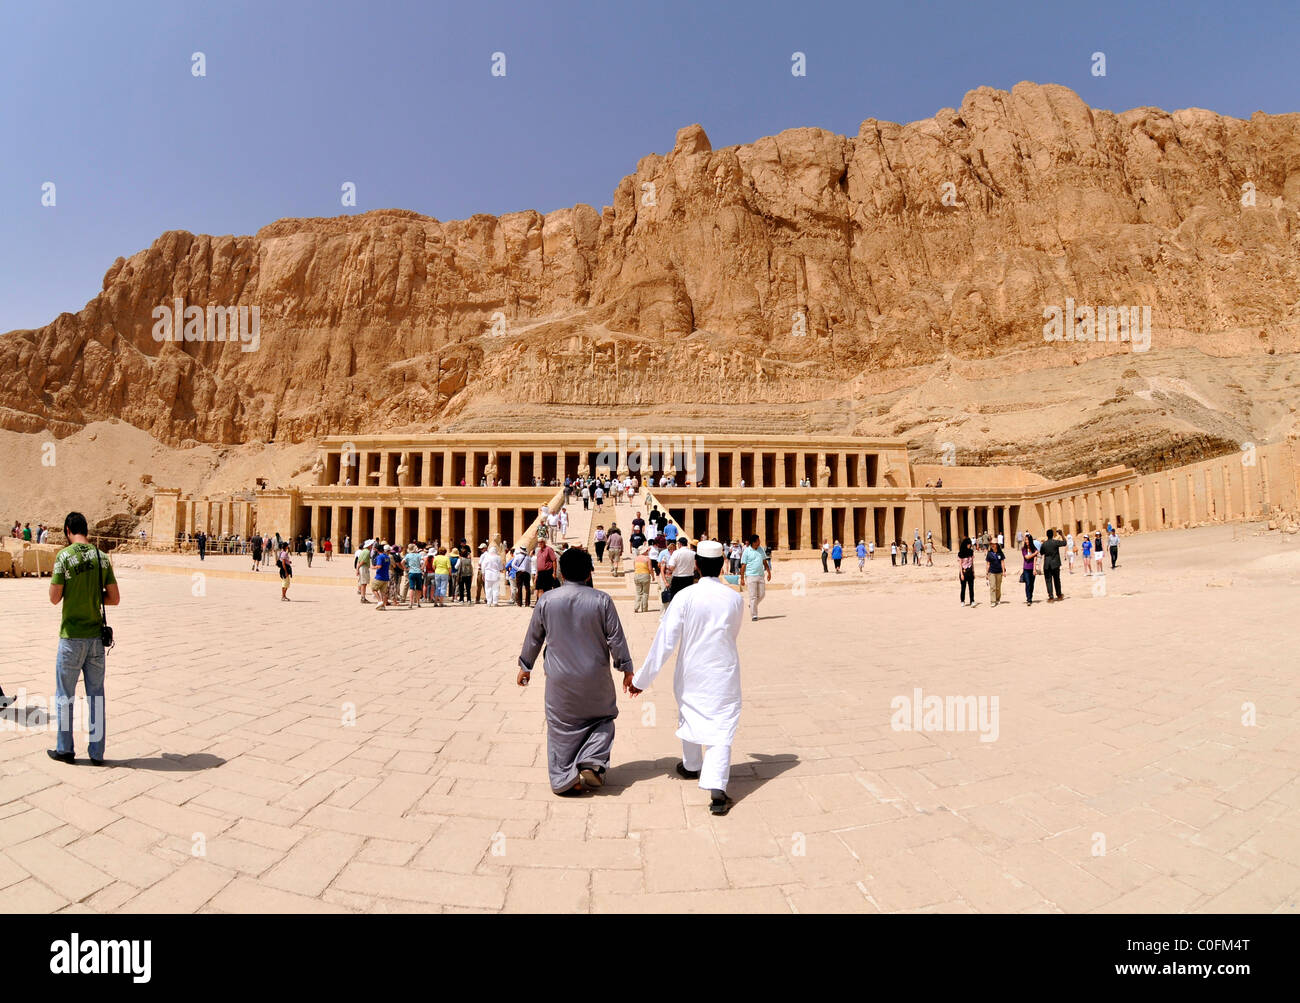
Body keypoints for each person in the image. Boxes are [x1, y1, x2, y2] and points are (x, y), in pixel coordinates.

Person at [630, 541, 742, 817]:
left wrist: (641, 680)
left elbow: (665, 643)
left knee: (690, 712)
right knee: (720, 724)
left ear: (697, 565)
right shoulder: (734, 598)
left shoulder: (685, 597)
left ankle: (694, 767)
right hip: (723, 669)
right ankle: (712, 785)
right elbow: (732, 633)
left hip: (692, 668)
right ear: (722, 565)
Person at [517, 547, 635, 795]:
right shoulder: (602, 600)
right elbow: (616, 639)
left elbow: (534, 638)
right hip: (595, 676)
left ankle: (564, 780)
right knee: (603, 718)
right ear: (589, 573)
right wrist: (626, 669)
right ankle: (592, 759)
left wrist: (525, 666)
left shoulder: (547, 600)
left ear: (560, 573)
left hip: (560, 678)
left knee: (561, 726)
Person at [48, 512, 120, 766]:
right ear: (86, 530)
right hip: (95, 640)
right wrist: (92, 594)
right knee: (96, 695)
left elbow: (54, 597)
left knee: (64, 694)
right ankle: (97, 752)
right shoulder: (101, 558)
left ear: (68, 530)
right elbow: (114, 598)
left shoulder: (64, 557)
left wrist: (74, 590)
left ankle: (65, 749)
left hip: (71, 637)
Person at [739, 534, 770, 622]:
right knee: (753, 596)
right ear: (754, 542)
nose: (760, 542)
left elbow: (764, 561)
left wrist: (769, 572)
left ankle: (753, 604)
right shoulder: (746, 551)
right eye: (758, 540)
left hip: (760, 575)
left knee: (762, 594)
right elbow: (743, 565)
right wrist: (742, 578)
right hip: (750, 575)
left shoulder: (761, 549)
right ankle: (754, 615)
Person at [665, 537, 696, 604]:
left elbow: (671, 567)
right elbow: (695, 567)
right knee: (688, 599)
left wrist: (670, 569)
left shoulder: (676, 553)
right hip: (689, 578)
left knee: (675, 598)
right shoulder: (693, 553)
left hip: (678, 578)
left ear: (679, 544)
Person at [1039, 529, 1066, 603]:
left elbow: (1041, 553)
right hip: (1055, 564)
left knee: (1048, 581)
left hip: (1047, 564)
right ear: (1053, 535)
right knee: (1057, 580)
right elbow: (1065, 543)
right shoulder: (1055, 542)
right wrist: (1062, 535)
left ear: (1047, 535)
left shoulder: (1044, 544)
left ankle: (1051, 597)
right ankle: (1059, 595)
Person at [632, 544, 654, 613]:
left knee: (638, 592)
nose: (647, 551)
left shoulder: (636, 559)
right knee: (645, 593)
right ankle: (644, 608)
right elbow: (650, 569)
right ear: (644, 551)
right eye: (646, 550)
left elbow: (635, 568)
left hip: (637, 575)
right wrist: (653, 576)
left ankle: (636, 607)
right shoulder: (647, 559)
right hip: (645, 575)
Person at [371, 544, 392, 609]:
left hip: (379, 576)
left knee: (374, 589)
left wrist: (373, 567)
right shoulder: (387, 557)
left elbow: (379, 566)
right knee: (383, 592)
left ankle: (380, 601)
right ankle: (383, 606)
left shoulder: (380, 557)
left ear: (377, 550)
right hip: (386, 577)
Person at [957, 537, 976, 607]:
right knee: (963, 587)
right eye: (968, 544)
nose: (969, 545)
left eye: (970, 544)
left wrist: (973, 572)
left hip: (970, 571)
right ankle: (962, 601)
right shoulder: (960, 553)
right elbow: (960, 565)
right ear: (965, 544)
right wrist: (961, 574)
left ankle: (972, 601)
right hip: (964, 572)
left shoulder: (971, 552)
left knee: (971, 588)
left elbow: (972, 563)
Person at [1021, 534, 1039, 605]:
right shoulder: (1023, 549)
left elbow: (1035, 559)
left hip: (1032, 568)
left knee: (1032, 584)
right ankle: (1028, 599)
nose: (1026, 541)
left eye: (1027, 540)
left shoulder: (1033, 548)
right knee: (1028, 583)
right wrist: (1035, 553)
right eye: (1025, 540)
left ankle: (1030, 597)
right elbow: (1027, 557)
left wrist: (1034, 569)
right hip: (1026, 568)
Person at [986, 540, 1005, 606]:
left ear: (997, 545)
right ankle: (993, 601)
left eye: (994, 544)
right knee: (992, 587)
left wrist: (1003, 571)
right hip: (992, 572)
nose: (993, 545)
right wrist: (987, 573)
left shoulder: (1000, 553)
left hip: (999, 572)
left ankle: (997, 599)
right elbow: (988, 564)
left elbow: (1002, 562)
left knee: (998, 587)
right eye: (991, 544)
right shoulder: (989, 553)